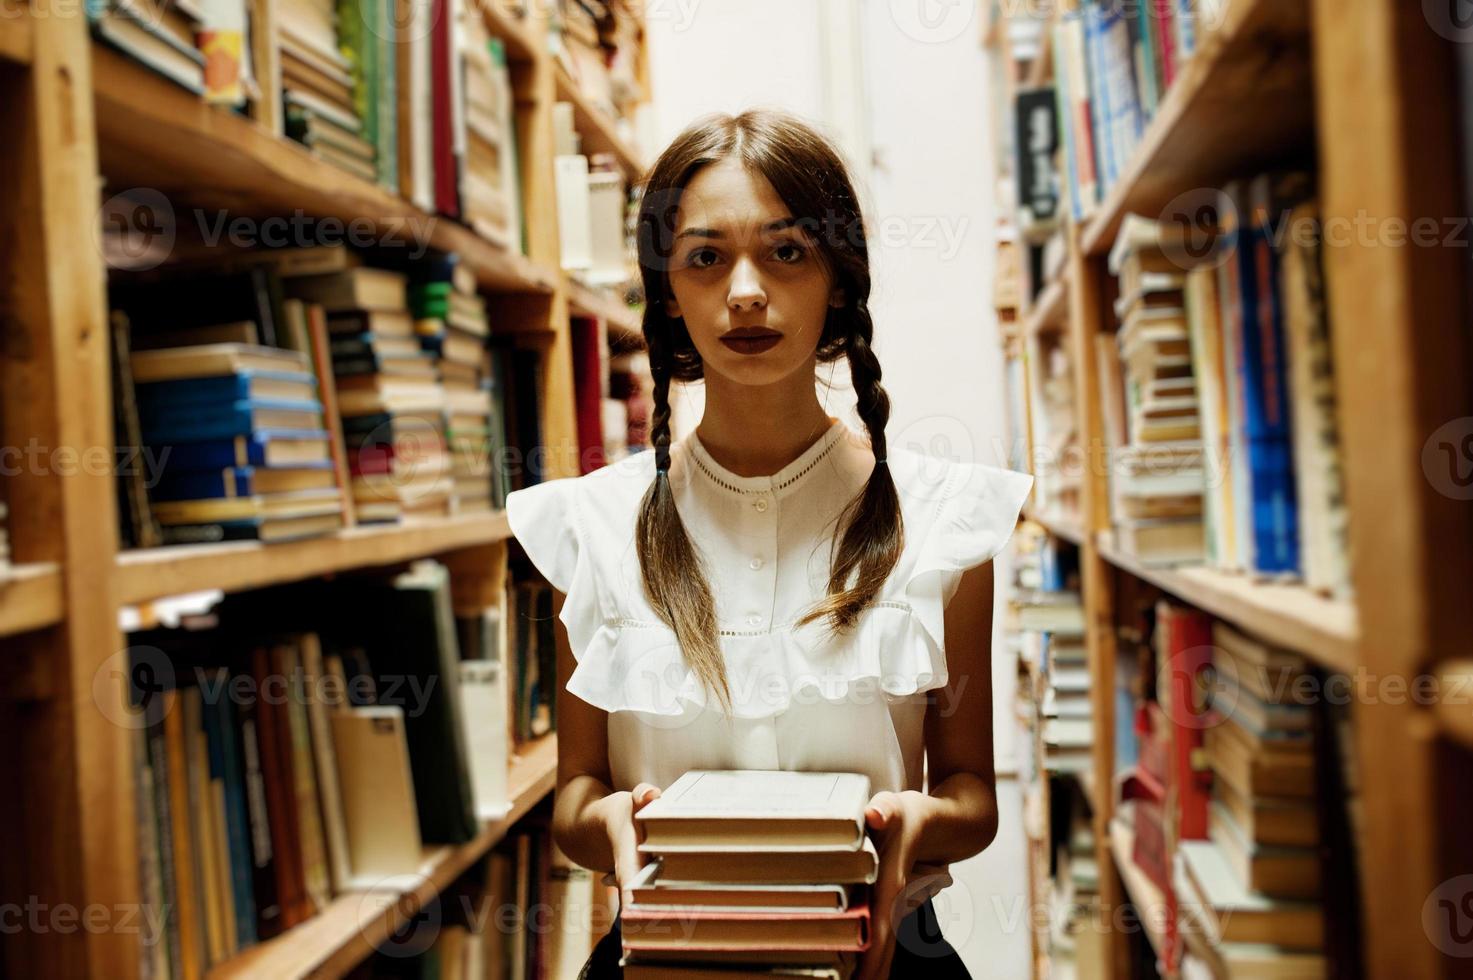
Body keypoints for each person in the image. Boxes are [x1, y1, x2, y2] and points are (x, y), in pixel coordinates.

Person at [504, 107, 1032, 980]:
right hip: (661, 954)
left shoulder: (945, 517)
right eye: (706, 257)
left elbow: (971, 792)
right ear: (668, 289)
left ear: (836, 278)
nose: (745, 290)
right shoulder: (590, 526)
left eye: (786, 251)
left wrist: (913, 827)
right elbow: (576, 794)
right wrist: (606, 829)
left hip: (886, 954)